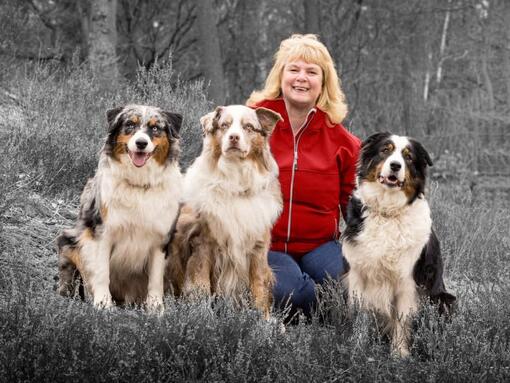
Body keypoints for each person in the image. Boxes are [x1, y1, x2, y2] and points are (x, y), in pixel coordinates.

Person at [246, 34, 361, 318]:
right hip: (266, 244)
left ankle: (325, 303)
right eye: (293, 69)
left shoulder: (343, 141)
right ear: (280, 75)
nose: (301, 78)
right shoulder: (251, 123)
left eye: (312, 72)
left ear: (323, 83)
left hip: (321, 246)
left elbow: (355, 205)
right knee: (292, 293)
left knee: (354, 288)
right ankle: (309, 300)